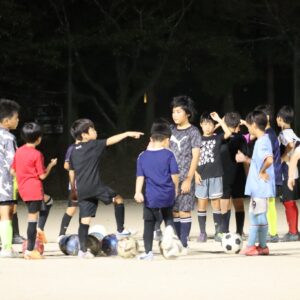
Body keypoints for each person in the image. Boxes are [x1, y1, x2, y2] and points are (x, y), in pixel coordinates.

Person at [69, 118, 143, 258]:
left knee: (84, 220)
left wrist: (73, 189)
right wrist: (127, 133)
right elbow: (110, 140)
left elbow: (71, 169)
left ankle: (82, 251)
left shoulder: (73, 151)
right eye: (92, 129)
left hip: (82, 190)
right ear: (85, 135)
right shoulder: (92, 145)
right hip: (96, 187)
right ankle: (120, 230)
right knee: (119, 199)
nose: (95, 131)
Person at [11, 122, 57, 259]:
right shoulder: (37, 154)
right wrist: (51, 165)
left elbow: (12, 171)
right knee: (32, 220)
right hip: (34, 189)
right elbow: (42, 175)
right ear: (39, 138)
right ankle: (30, 251)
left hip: (23, 189)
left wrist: (23, 177)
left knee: (47, 201)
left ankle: (38, 231)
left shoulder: (18, 151)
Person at [134, 120, 179, 260]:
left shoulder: (142, 156)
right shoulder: (169, 154)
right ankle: (169, 234)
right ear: (166, 140)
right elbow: (175, 175)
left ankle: (148, 252)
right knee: (168, 217)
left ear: (150, 139)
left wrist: (137, 192)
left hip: (150, 196)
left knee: (148, 223)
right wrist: (175, 189)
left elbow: (140, 176)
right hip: (167, 193)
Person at [237, 111, 275, 255]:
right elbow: (259, 161)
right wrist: (246, 159)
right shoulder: (262, 139)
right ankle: (263, 246)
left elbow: (269, 159)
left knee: (255, 215)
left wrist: (263, 171)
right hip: (259, 187)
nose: (248, 128)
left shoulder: (263, 141)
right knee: (259, 214)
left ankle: (251, 246)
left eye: (248, 125)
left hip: (260, 187)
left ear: (254, 125)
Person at [169, 96, 201, 253]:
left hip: (185, 177)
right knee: (174, 210)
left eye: (178, 111)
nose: (175, 115)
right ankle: (176, 241)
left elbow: (195, 156)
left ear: (187, 113)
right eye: (173, 111)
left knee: (184, 210)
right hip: (171, 178)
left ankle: (184, 243)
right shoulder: (170, 130)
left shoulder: (193, 131)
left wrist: (189, 178)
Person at [195, 112, 231, 242]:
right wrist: (195, 173)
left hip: (215, 175)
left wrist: (219, 120)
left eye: (210, 124)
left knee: (216, 204)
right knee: (202, 204)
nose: (207, 127)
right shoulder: (197, 140)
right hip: (201, 176)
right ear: (200, 125)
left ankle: (218, 232)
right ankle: (202, 232)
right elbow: (191, 159)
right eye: (205, 124)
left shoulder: (217, 138)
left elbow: (228, 133)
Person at [255, 104, 282, 242]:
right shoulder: (269, 133)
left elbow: (268, 158)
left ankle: (272, 233)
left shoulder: (269, 135)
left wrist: (261, 171)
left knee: (269, 203)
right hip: (270, 174)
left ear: (267, 117)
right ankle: (271, 232)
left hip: (269, 175)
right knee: (267, 203)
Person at [219, 112, 248, 236]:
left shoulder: (222, 137)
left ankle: (224, 231)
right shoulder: (241, 138)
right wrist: (248, 175)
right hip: (238, 174)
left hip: (223, 174)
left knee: (224, 201)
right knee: (238, 203)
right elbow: (245, 159)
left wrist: (220, 122)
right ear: (238, 124)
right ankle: (239, 232)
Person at [277, 105, 300, 241]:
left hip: (287, 172)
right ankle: (294, 230)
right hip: (294, 171)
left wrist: (282, 157)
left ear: (280, 119)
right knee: (290, 202)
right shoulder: (292, 132)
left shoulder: (284, 134)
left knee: (288, 202)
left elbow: (291, 145)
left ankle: (293, 232)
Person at [0, 99, 20, 257]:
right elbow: (13, 163)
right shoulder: (8, 138)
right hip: (5, 182)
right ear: (6, 121)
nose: (18, 120)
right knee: (6, 213)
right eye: (16, 118)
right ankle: (6, 248)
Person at [58, 141, 79, 239]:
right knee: (72, 208)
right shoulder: (72, 148)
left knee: (85, 210)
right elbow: (66, 165)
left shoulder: (90, 146)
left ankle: (83, 234)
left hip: (87, 183)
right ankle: (61, 234)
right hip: (75, 184)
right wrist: (77, 168)